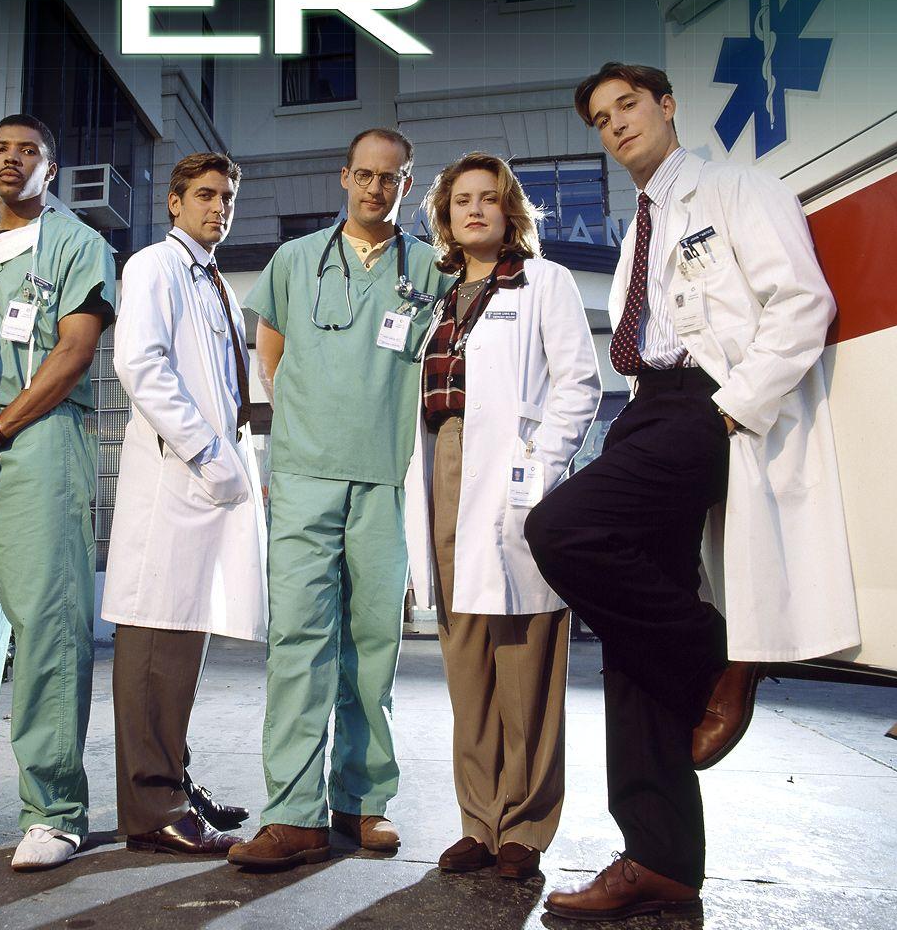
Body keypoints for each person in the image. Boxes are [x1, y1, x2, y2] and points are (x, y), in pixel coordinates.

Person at [524, 62, 861, 921]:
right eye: (601, 118)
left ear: (667, 106)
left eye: (628, 105)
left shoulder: (739, 189)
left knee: (562, 529)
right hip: (648, 408)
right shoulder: (637, 231)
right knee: (632, 635)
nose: (615, 125)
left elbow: (802, 303)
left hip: (708, 407)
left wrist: (732, 409)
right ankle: (660, 859)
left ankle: (719, 655)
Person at [228, 129, 455, 871]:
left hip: (384, 477)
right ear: (343, 177)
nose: (375, 188)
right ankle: (292, 814)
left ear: (408, 185)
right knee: (299, 640)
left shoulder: (431, 269)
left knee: (373, 645)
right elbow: (272, 359)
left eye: (391, 178)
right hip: (304, 474)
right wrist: (311, 425)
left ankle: (361, 800)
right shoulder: (295, 261)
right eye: (364, 174)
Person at [0, 114, 116, 871]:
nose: (11, 160)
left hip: (36, 441)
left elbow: (74, 350)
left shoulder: (76, 244)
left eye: (27, 151)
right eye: (1, 149)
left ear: (50, 168)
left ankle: (55, 812)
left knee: (48, 628)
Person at [403, 153, 600, 880]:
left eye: (489, 198)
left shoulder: (544, 282)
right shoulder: (436, 296)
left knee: (527, 656)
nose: (475, 210)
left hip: (517, 477)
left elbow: (579, 383)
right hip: (445, 466)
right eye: (462, 201)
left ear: (509, 209)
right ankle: (478, 822)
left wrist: (539, 467)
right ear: (446, 216)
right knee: (465, 654)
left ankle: (526, 825)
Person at [102, 152, 267, 856]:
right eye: (204, 195)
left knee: (182, 647)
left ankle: (174, 782)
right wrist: (205, 451)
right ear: (174, 202)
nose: (217, 207)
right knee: (155, 642)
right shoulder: (154, 266)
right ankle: (151, 810)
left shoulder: (213, 280)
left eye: (227, 197)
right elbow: (140, 364)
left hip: (209, 484)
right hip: (176, 481)